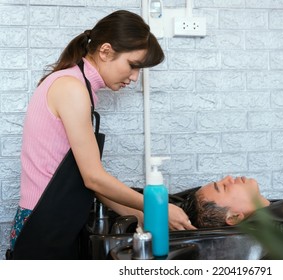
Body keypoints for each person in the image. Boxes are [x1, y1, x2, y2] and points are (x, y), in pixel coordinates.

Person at [8, 10, 194, 260]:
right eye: (133, 65)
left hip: (56, 218)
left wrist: (139, 214)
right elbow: (93, 178)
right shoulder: (71, 88)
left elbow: (86, 179)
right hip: (43, 222)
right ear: (105, 51)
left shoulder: (79, 87)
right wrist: (155, 208)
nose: (134, 77)